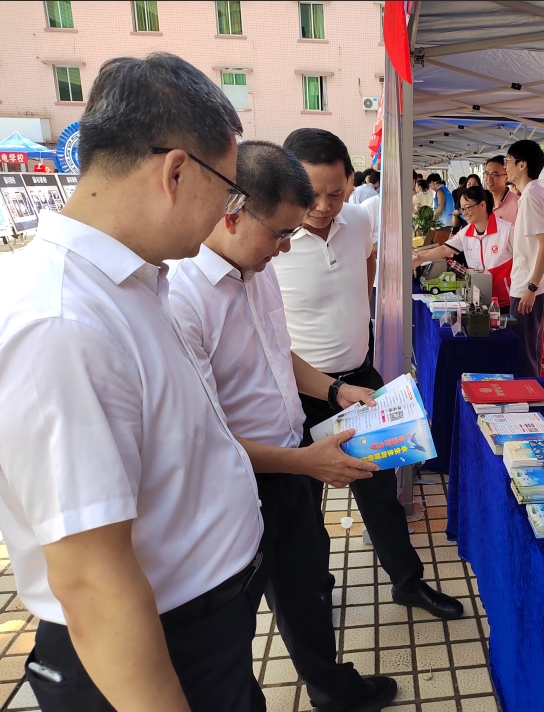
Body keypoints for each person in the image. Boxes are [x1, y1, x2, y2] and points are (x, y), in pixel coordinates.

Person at [0, 53, 263, 711]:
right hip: (150, 653)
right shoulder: (59, 322)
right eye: (227, 192)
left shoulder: (134, 281)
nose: (224, 213)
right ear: (177, 172)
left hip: (201, 629)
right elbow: (92, 580)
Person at [168, 140, 397, 712]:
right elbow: (203, 435)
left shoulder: (257, 268)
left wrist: (335, 390)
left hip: (291, 462)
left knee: (305, 587)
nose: (286, 247)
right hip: (236, 485)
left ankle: (332, 688)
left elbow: (279, 353)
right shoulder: (182, 298)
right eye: (279, 234)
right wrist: (305, 462)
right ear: (233, 212)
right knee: (232, 619)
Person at [276, 128, 463, 621]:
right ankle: (316, 588)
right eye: (310, 195)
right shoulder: (275, 239)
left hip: (361, 379)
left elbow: (366, 271)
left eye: (335, 193)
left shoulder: (358, 219)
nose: (322, 206)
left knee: (380, 490)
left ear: (351, 182)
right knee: (305, 503)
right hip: (302, 391)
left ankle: (408, 582)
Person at [505, 139, 544, 377]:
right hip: (531, 283)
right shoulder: (535, 193)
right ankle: (530, 391)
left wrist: (531, 287)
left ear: (522, 165)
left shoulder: (532, 197)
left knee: (524, 353)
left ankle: (527, 394)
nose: (506, 167)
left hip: (528, 285)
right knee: (529, 349)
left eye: (508, 161)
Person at [413, 186, 513, 279]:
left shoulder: (506, 230)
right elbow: (445, 249)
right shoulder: (465, 233)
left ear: (482, 205)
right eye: (462, 209)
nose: (464, 213)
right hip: (477, 289)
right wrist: (421, 258)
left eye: (467, 208)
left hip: (503, 291)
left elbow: (521, 260)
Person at [483, 156, 519, 224]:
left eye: (495, 175)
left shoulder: (518, 205)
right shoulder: (483, 203)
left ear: (506, 177)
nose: (489, 178)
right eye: (487, 173)